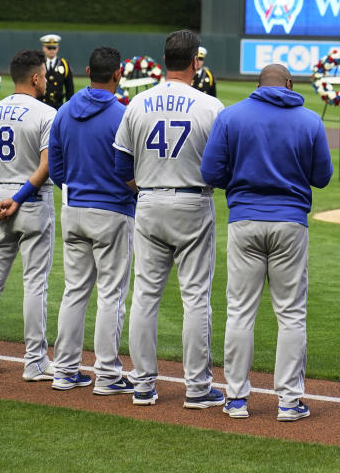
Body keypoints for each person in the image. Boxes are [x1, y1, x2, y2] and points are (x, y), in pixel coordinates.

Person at [200, 63, 332, 421]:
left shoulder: (231, 116)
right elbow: (322, 177)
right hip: (290, 222)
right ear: (289, 85)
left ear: (258, 85)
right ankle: (289, 401)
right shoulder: (309, 120)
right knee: (290, 314)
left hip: (245, 219)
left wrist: (244, 182)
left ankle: (237, 398)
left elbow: (210, 172)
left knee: (241, 311)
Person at [113, 29, 225, 409]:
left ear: (164, 61)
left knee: (145, 295)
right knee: (196, 297)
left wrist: (145, 189)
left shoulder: (138, 103)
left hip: (148, 202)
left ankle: (142, 384)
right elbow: (222, 167)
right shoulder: (210, 107)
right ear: (196, 62)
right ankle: (197, 387)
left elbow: (120, 165)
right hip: (193, 202)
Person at [49, 46, 137, 394]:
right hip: (112, 211)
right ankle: (109, 375)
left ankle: (65, 370)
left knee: (74, 291)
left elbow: (56, 168)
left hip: (73, 209)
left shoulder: (65, 111)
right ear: (118, 74)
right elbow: (130, 169)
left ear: (88, 71)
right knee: (111, 294)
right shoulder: (122, 114)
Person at [0, 49, 58, 380]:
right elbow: (46, 164)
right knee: (34, 282)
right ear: (34, 77)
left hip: (0, 201)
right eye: (45, 75)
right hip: (31, 200)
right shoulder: (46, 113)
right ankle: (35, 362)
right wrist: (19, 198)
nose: (47, 80)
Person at [40, 34, 74, 110]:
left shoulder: (64, 64)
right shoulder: (39, 63)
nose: (52, 50)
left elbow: (70, 89)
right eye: (49, 48)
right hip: (41, 105)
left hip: (58, 107)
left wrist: (69, 108)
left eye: (54, 48)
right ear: (43, 48)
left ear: (58, 48)